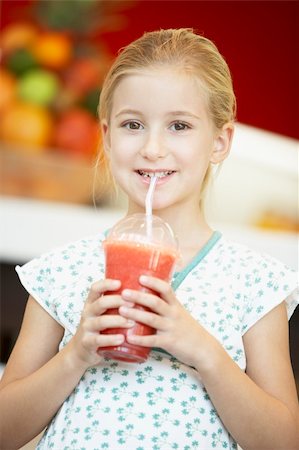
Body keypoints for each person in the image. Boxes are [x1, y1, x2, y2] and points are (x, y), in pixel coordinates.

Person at [0, 28, 298, 450]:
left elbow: (285, 441)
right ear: (105, 135)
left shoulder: (255, 283)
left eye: (178, 125)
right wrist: (76, 355)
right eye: (133, 124)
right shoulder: (59, 272)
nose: (153, 148)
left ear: (219, 141)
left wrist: (205, 352)